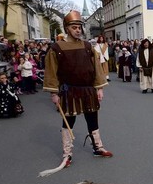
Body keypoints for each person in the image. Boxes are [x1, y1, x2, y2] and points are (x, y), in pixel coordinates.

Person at [43, 10, 112, 172]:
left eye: (79, 27)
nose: (78, 30)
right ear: (67, 28)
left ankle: (98, 147)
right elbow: (51, 71)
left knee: (92, 118)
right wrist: (54, 93)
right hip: (69, 91)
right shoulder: (57, 48)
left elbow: (96, 68)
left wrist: (99, 88)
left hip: (88, 90)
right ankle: (67, 154)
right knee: (69, 121)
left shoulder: (88, 47)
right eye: (74, 27)